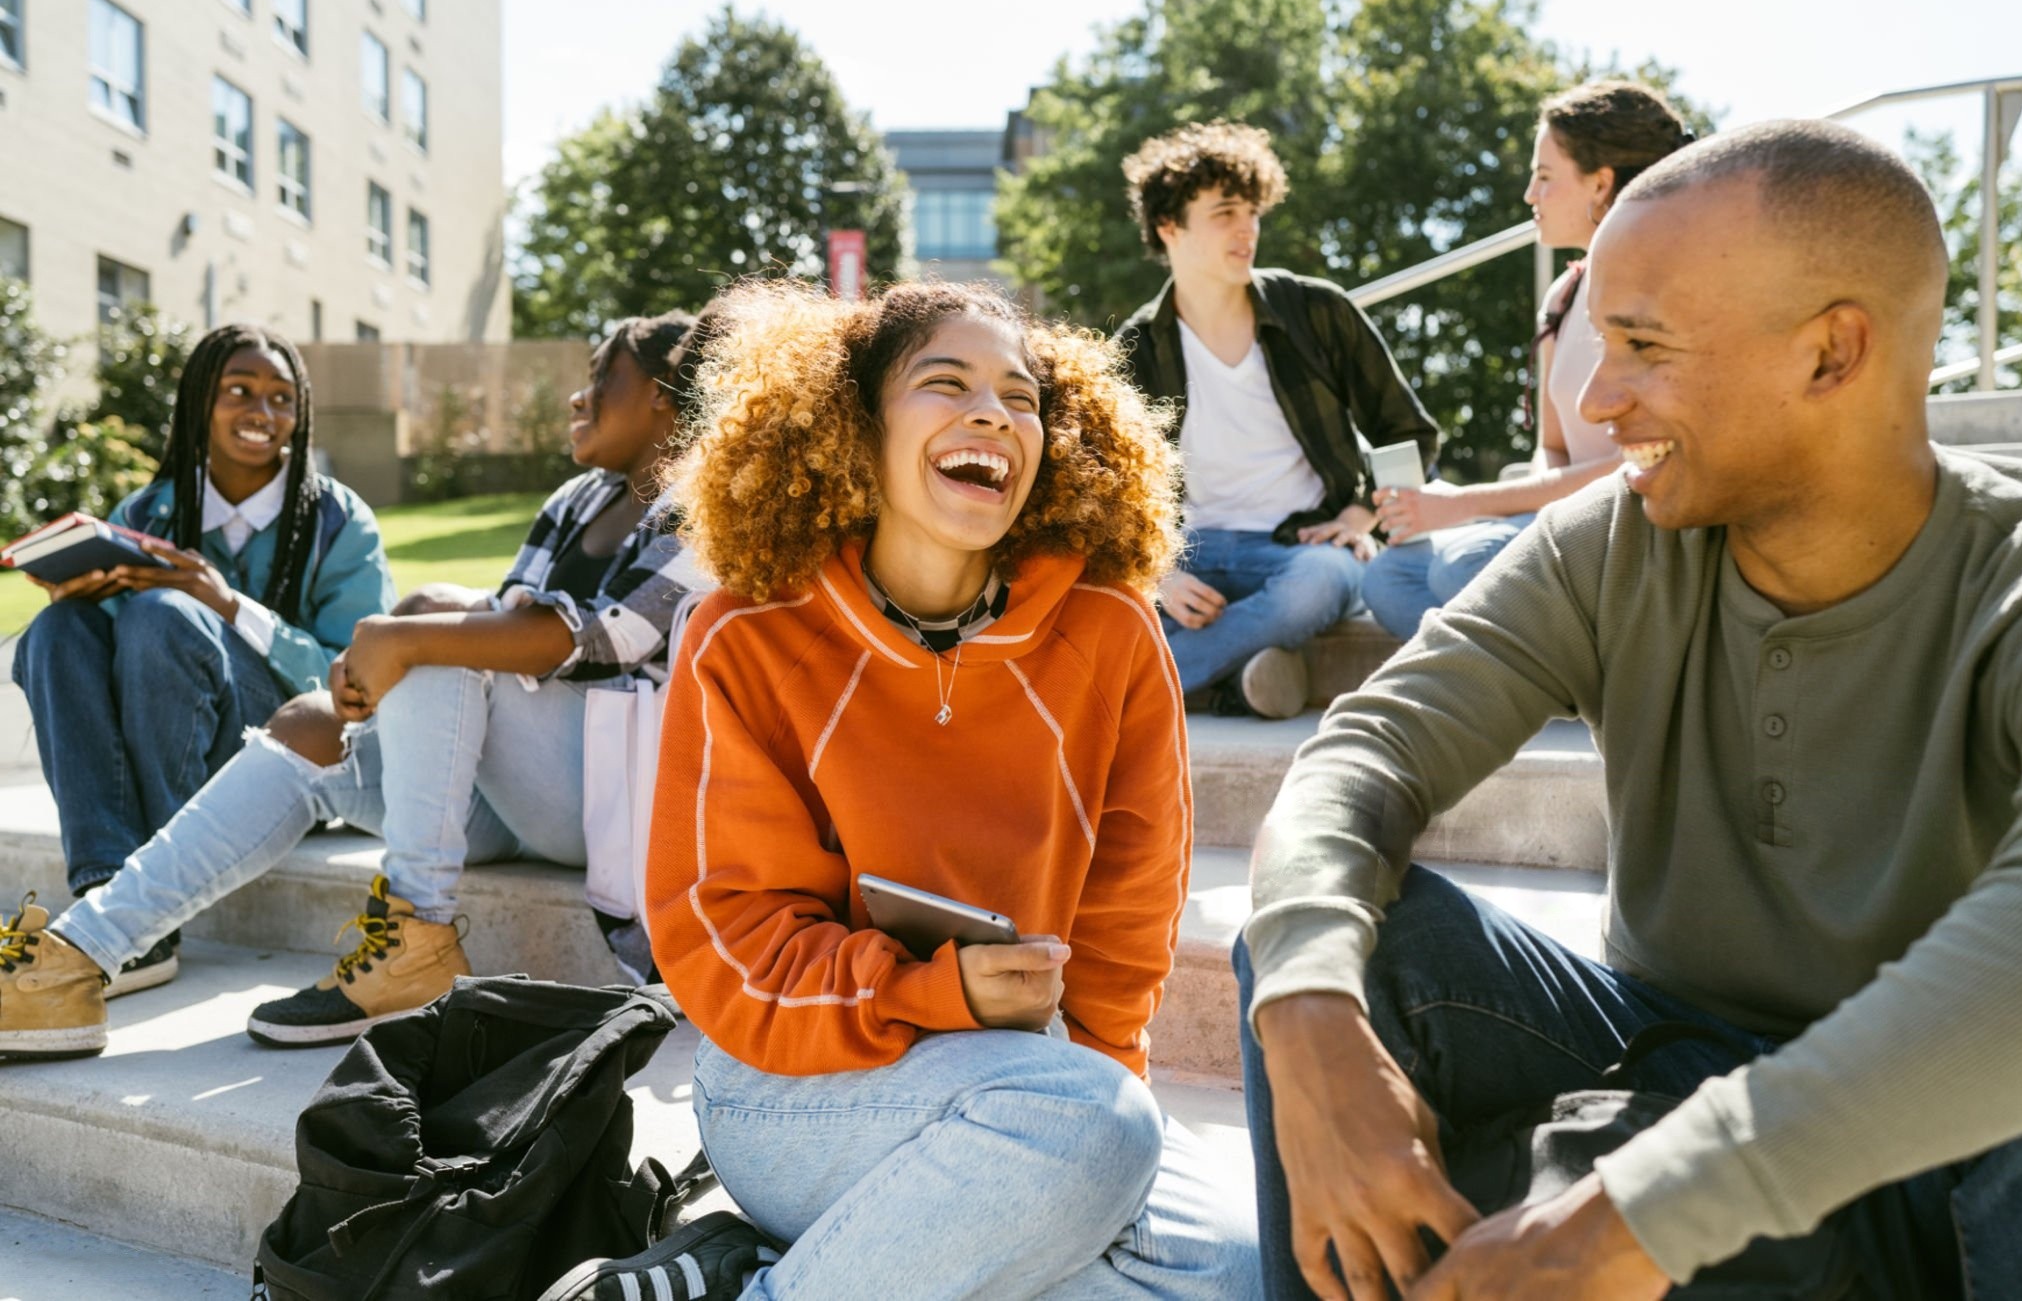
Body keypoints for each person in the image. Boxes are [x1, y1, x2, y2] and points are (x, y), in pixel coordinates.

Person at [1237, 120, 2022, 1299]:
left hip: (1949, 1145)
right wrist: (1303, 1007)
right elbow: (1363, 752)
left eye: (1641, 345)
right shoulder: (1607, 541)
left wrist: (1648, 1210)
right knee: (1342, 938)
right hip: (1665, 1051)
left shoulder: (2021, 575)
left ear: (1829, 355)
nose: (1598, 398)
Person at [591, 282, 1258, 1300]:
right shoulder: (744, 635)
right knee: (1085, 1142)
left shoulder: (1114, 635)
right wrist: (930, 994)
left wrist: (1084, 1115)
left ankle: (765, 1275)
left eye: (1020, 396)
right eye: (942, 383)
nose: (990, 412)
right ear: (853, 428)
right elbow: (723, 939)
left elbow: (1126, 922)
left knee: (1233, 1269)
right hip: (790, 1081)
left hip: (1033, 1083)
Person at [0, 309, 711, 1058]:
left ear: (665, 393)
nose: (580, 395)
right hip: (526, 793)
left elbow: (598, 639)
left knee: (434, 632)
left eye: (602, 375)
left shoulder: (704, 509)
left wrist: (406, 632)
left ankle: (419, 930)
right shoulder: (577, 502)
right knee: (308, 730)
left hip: (617, 802)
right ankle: (80, 952)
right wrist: (375, 670)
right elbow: (504, 626)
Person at [8, 323, 392, 994]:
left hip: (284, 752)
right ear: (199, 406)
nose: (262, 413)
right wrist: (82, 594)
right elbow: (97, 665)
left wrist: (225, 603)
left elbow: (358, 680)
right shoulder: (152, 508)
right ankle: (105, 883)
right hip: (168, 728)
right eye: (238, 391)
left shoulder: (338, 518)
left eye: (281, 399)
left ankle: (148, 917)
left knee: (166, 613)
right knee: (55, 631)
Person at [1115, 122, 1439, 719]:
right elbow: (1105, 489)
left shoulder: (1316, 312)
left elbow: (1408, 431)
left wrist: (1363, 510)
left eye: (1253, 211)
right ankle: (1234, 684)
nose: (1248, 229)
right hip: (1187, 556)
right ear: (1170, 228)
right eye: (1225, 212)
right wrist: (1154, 573)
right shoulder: (1136, 348)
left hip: (1299, 550)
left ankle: (1142, 697)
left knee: (1322, 582)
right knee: (1103, 596)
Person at [1358, 80, 1693, 640]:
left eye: (1543, 177)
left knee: (1462, 562)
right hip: (1566, 523)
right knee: (1390, 578)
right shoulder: (1561, 299)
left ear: (1601, 184)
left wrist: (1468, 504)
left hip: (1634, 529)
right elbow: (1553, 448)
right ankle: (1549, 665)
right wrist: (1532, 516)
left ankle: (1534, 667)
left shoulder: (1665, 294)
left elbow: (1641, 463)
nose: (1528, 197)